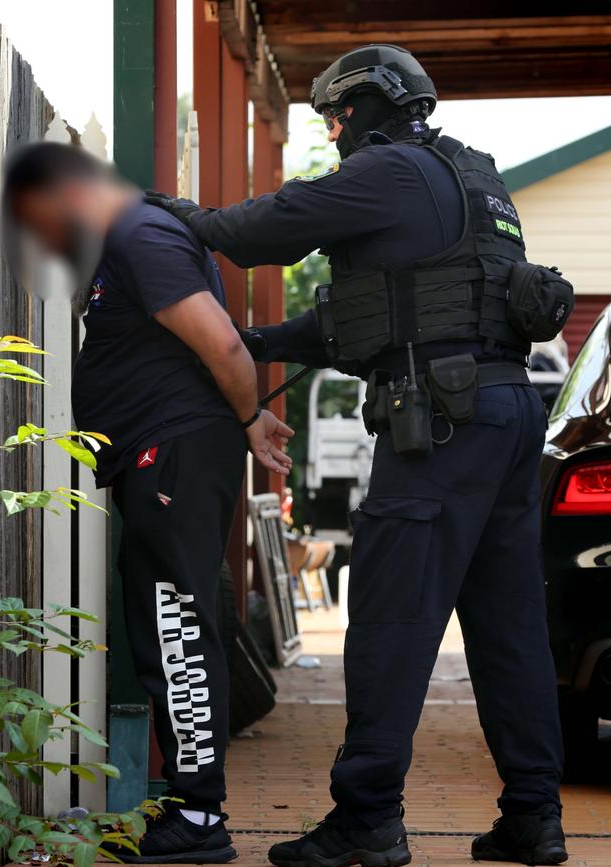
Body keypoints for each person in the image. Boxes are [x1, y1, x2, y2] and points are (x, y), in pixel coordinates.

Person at [149, 44, 569, 867]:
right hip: (507, 413)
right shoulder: (472, 179)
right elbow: (378, 312)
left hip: (444, 424)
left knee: (389, 620)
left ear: (371, 106)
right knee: (511, 627)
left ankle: (368, 817)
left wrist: (183, 217)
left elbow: (261, 231)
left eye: (338, 115)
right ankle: (536, 816)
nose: (335, 131)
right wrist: (259, 340)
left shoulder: (390, 173)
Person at [1, 141, 293, 865]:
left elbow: (222, 345)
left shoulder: (140, 233)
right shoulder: (131, 239)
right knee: (165, 623)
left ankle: (199, 818)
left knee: (175, 627)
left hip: (177, 451)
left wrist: (252, 419)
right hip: (166, 452)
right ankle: (191, 804)